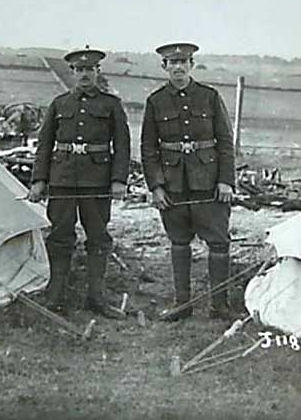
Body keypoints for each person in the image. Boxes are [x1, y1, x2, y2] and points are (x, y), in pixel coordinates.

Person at [28, 46, 130, 317]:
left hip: (97, 181)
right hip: (62, 179)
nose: (85, 74)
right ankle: (55, 296)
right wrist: (39, 180)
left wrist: (119, 180)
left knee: (98, 238)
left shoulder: (111, 105)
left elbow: (122, 146)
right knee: (60, 237)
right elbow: (44, 144)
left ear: (98, 72)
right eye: (80, 69)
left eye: (90, 69)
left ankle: (96, 298)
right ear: (72, 73)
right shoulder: (59, 104)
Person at [140, 42, 235, 321]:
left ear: (192, 65)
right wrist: (156, 186)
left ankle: (220, 305)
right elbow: (148, 148)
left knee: (218, 243)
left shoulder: (209, 96)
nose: (178, 67)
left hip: (209, 184)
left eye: (184, 62)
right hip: (172, 186)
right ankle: (183, 304)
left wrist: (226, 181)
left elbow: (226, 143)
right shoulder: (156, 101)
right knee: (179, 242)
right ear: (165, 67)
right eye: (172, 63)